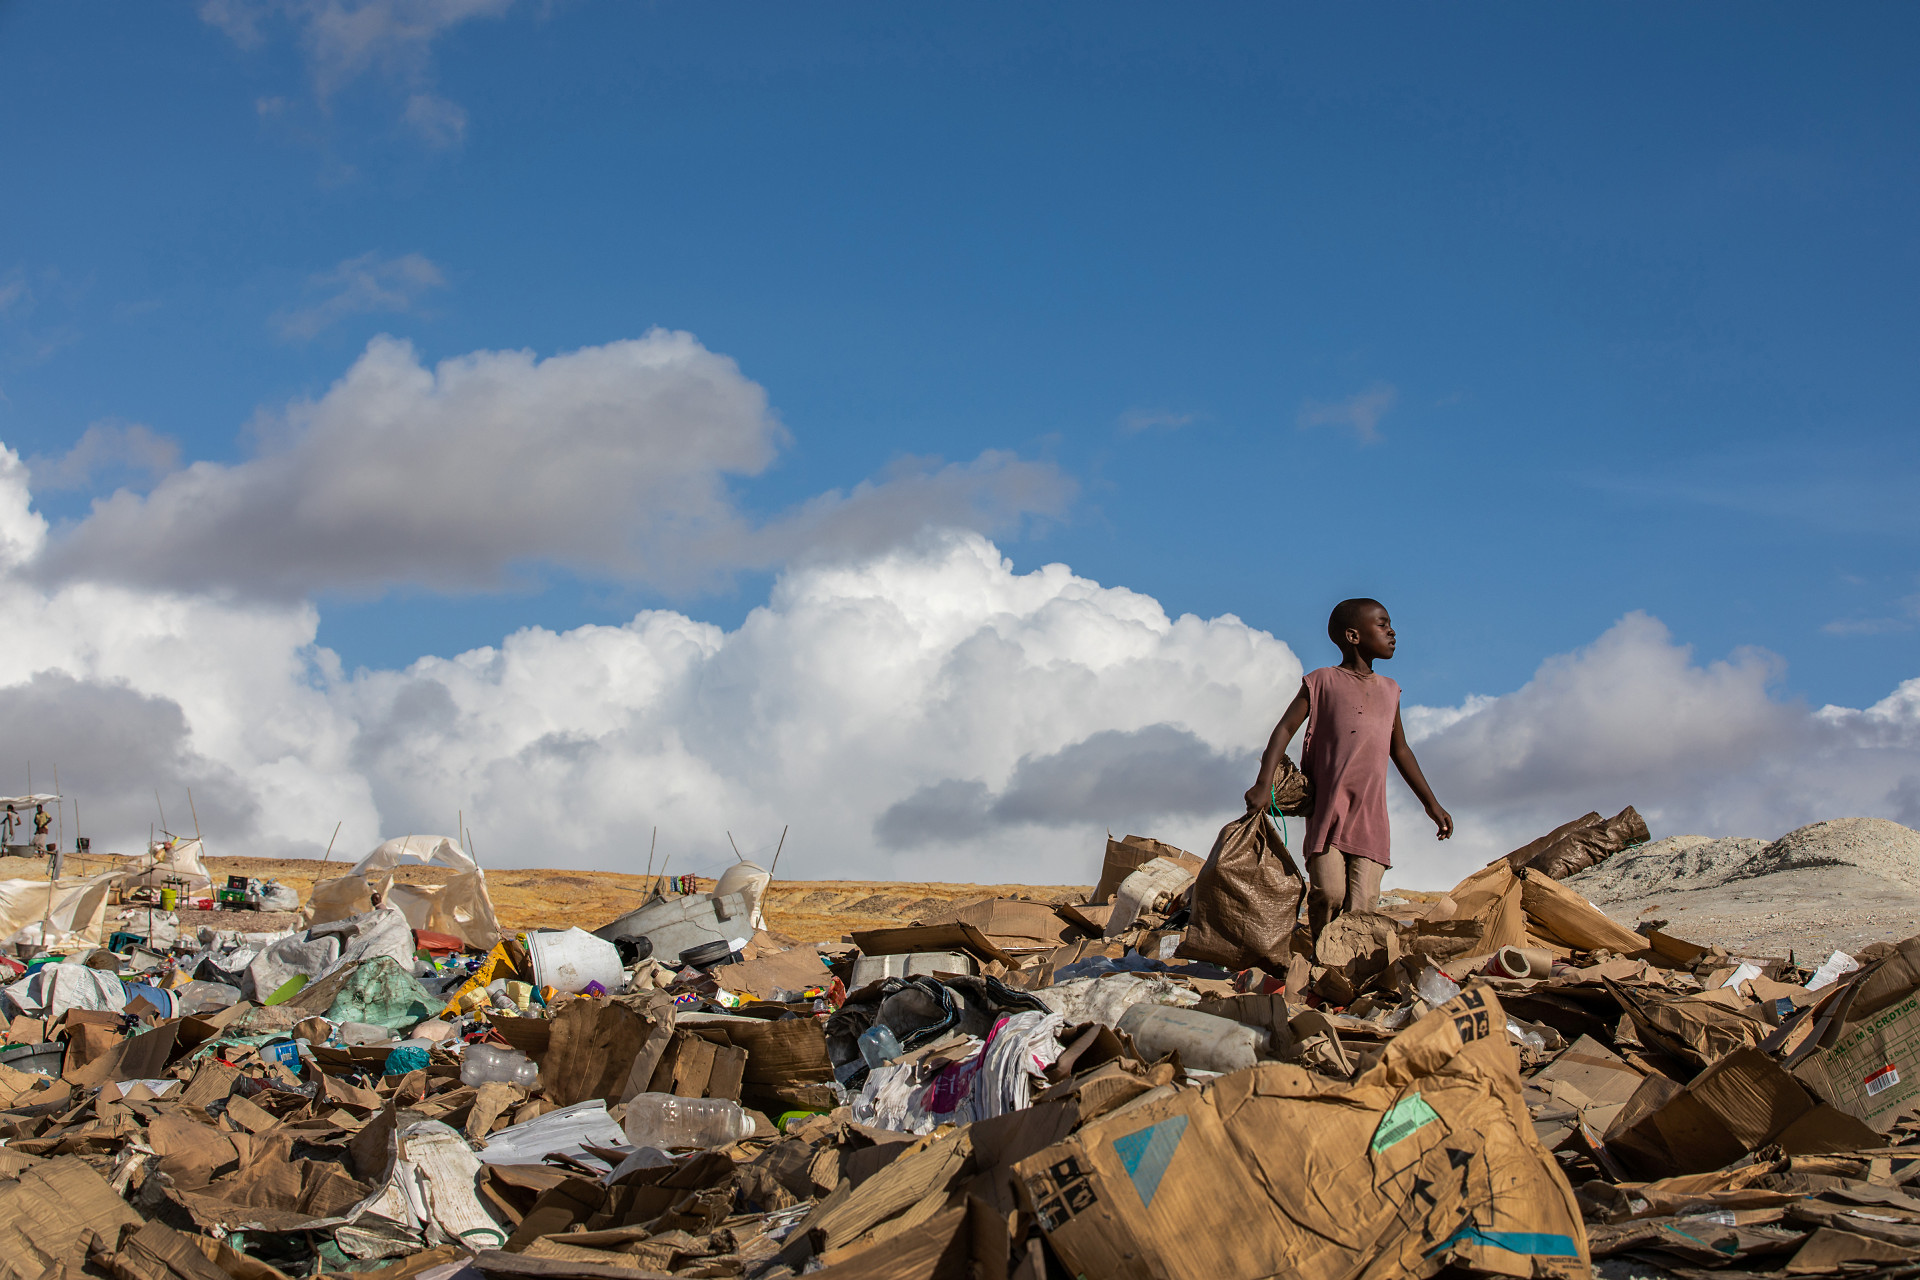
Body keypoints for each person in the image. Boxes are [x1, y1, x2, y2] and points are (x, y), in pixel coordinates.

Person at [1244, 598, 1452, 938]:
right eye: (1382, 625)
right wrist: (1264, 783)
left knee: (1363, 904)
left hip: (1371, 819)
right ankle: (1320, 954)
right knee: (1329, 893)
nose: (1392, 632)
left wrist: (1432, 804)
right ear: (1353, 636)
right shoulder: (1321, 682)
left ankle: (1346, 965)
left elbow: (1400, 750)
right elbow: (1284, 729)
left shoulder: (1390, 691)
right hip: (1329, 812)